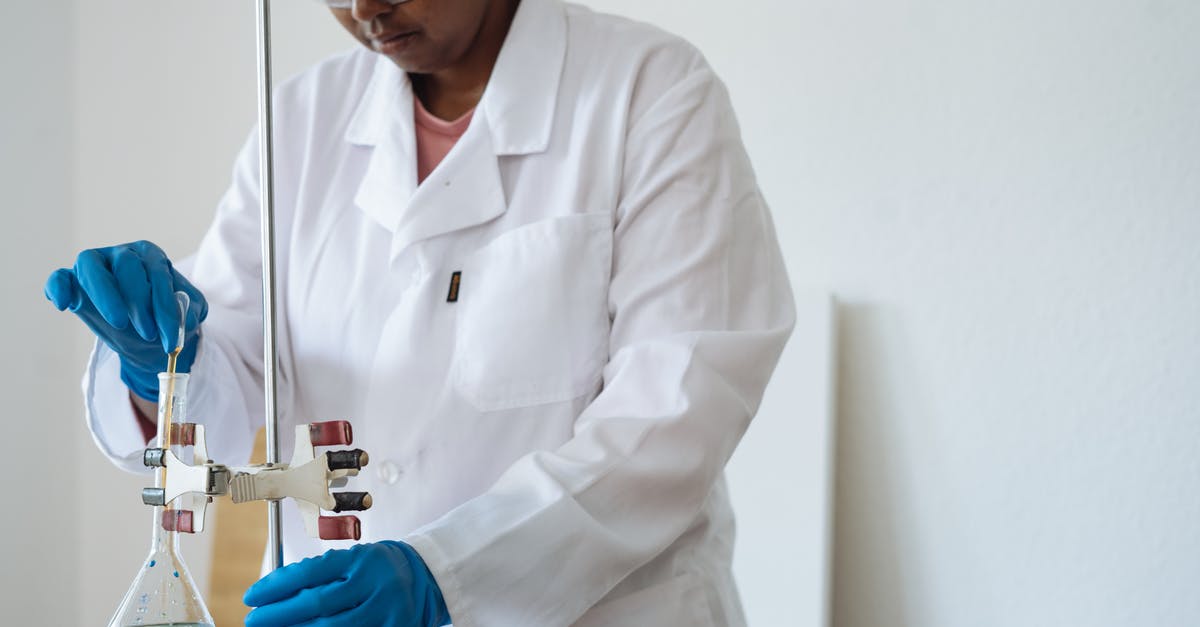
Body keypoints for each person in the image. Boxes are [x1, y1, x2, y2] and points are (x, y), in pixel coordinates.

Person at [45, 0, 795, 624]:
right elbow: (234, 386)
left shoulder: (648, 91)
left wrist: (450, 572)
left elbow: (673, 413)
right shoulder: (304, 121)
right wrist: (161, 369)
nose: (365, 7)